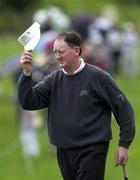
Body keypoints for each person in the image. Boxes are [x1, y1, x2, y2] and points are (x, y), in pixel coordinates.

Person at [17, 31, 135, 180]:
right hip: (63, 149)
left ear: (76, 50)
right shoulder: (53, 79)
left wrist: (124, 144)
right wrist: (27, 72)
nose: (57, 56)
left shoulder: (98, 77)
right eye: (55, 52)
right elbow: (28, 102)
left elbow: (124, 109)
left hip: (93, 149)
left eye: (61, 51)